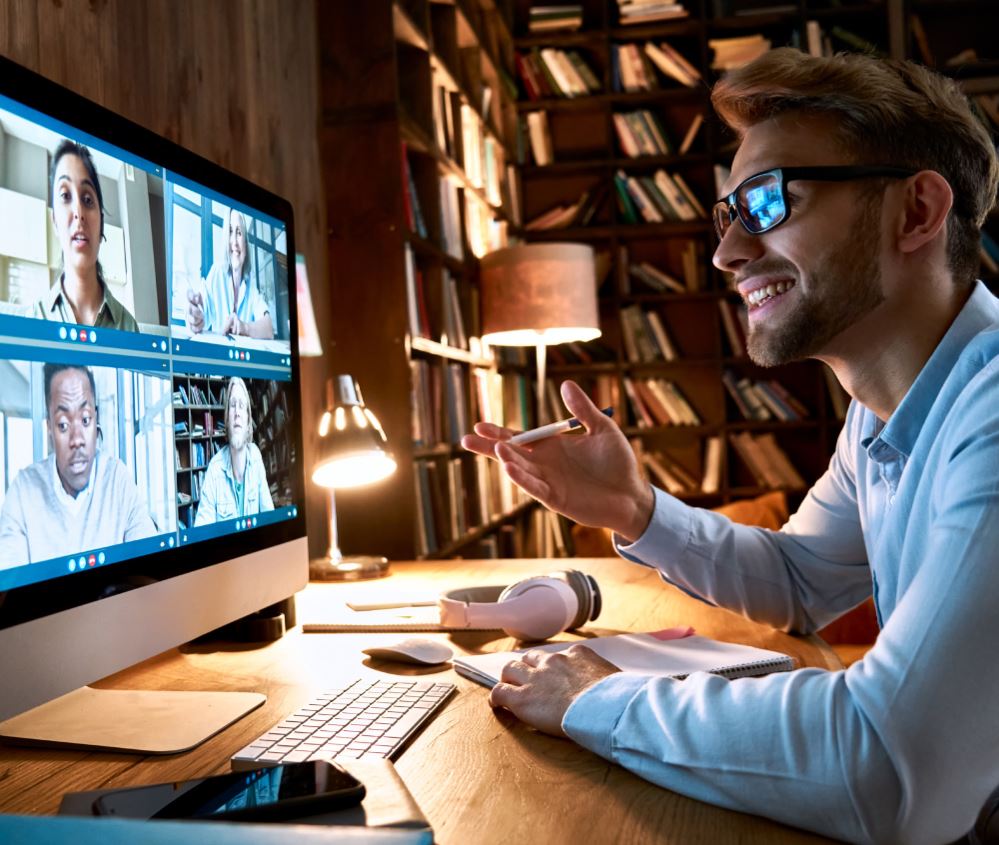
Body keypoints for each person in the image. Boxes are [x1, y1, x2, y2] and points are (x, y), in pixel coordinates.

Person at [463, 48, 999, 843]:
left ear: (916, 212)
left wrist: (592, 697)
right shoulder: (883, 414)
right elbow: (798, 579)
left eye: (769, 201)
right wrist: (635, 509)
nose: (727, 253)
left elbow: (887, 761)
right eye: (727, 215)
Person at [0, 363, 156, 567]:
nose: (77, 440)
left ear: (96, 420)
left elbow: (151, 566)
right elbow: (10, 584)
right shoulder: (24, 490)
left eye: (85, 420)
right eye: (63, 424)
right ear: (49, 430)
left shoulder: (117, 478)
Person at [35, 140, 139, 332]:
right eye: (65, 196)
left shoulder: (129, 327)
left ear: (101, 225)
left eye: (88, 199)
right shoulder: (33, 320)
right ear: (55, 221)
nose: (78, 212)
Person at [194, 376, 274, 525]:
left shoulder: (255, 456)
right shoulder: (215, 468)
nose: (237, 412)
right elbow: (202, 531)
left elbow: (269, 517)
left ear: (248, 420)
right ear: (227, 419)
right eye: (232, 405)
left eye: (242, 405)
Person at [185, 207, 274, 339]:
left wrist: (244, 327)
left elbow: (268, 329)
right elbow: (201, 309)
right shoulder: (216, 273)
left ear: (245, 241)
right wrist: (194, 316)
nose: (234, 242)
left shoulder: (251, 284)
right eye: (230, 232)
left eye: (239, 233)